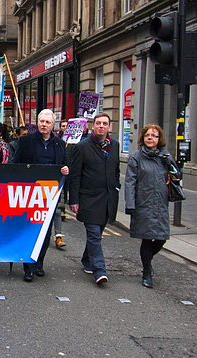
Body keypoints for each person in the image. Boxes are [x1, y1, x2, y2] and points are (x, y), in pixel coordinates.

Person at [13, 109, 69, 282]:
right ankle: (28, 267)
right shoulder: (26, 142)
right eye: (41, 121)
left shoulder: (60, 144)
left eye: (47, 122)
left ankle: (39, 263)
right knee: (29, 229)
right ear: (37, 123)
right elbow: (15, 165)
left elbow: (64, 166)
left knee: (45, 232)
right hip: (29, 194)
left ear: (53, 125)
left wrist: (65, 170)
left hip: (50, 195)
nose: (44, 124)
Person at [69, 112, 120, 285]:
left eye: (104, 123)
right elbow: (75, 176)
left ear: (109, 127)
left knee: (95, 234)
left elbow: (116, 171)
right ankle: (100, 270)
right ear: (93, 126)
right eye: (98, 123)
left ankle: (86, 259)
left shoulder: (114, 146)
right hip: (89, 199)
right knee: (94, 235)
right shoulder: (82, 147)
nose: (101, 126)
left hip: (107, 199)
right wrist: (73, 200)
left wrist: (116, 186)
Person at [124, 124, 174, 288]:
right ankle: (146, 272)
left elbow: (176, 176)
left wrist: (171, 164)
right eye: (147, 135)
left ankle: (148, 261)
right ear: (143, 138)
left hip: (160, 205)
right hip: (143, 204)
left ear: (159, 139)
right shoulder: (136, 158)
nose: (150, 138)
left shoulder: (165, 156)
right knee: (146, 239)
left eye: (154, 135)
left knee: (161, 238)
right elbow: (130, 183)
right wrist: (130, 205)